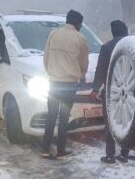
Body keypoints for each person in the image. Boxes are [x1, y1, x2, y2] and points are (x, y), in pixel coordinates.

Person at [41, 10, 89, 159]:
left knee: (51, 115)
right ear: (78, 23)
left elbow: (46, 57)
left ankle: (45, 149)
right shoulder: (80, 38)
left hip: (54, 82)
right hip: (69, 84)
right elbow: (84, 63)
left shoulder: (53, 34)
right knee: (64, 117)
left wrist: (51, 72)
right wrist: (81, 75)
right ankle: (61, 149)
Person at [91, 20, 129, 164]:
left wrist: (95, 89)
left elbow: (100, 70)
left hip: (111, 91)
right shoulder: (132, 46)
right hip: (129, 92)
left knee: (110, 124)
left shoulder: (106, 47)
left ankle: (110, 155)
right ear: (125, 31)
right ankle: (124, 154)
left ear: (113, 32)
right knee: (126, 123)